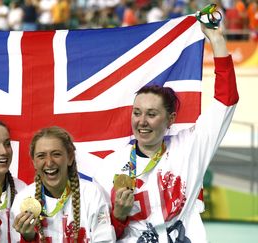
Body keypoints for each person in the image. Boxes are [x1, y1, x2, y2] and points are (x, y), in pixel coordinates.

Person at [94, 23, 239, 242]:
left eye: (151, 114)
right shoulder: (110, 166)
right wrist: (119, 216)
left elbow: (226, 101)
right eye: (137, 113)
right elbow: (102, 235)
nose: (142, 121)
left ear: (170, 119)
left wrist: (217, 40)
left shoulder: (190, 146)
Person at [11, 126, 115, 242]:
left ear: (70, 157)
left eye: (56, 154)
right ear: (34, 162)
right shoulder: (22, 200)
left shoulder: (92, 194)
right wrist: (28, 238)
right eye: (41, 156)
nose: (49, 162)